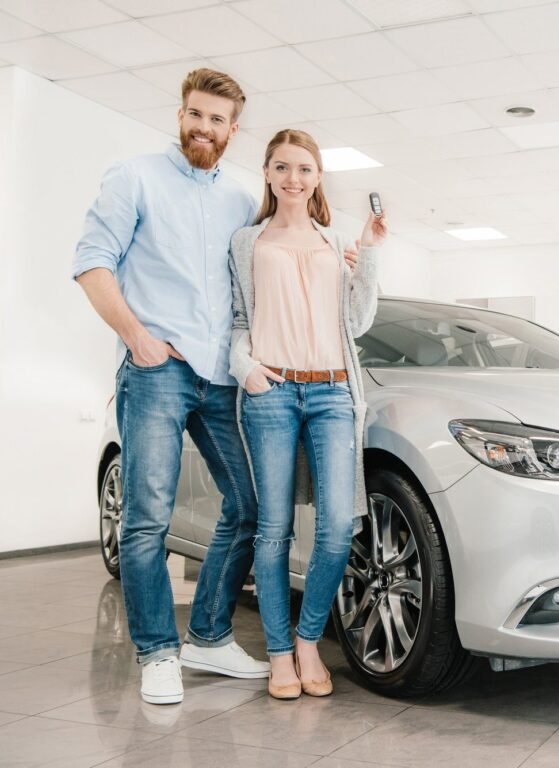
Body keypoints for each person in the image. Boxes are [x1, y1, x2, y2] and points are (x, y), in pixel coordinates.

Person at [73, 69, 274, 705]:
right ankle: (157, 652)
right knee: (146, 520)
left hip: (220, 378)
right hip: (157, 369)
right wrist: (137, 336)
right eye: (195, 115)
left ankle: (209, 636)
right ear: (180, 114)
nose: (203, 128)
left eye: (217, 120)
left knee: (250, 506)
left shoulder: (240, 200)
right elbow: (91, 262)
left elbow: (261, 278)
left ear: (233, 130)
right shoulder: (133, 176)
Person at [229, 129, 387, 699]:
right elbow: (238, 319)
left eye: (304, 168)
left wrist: (367, 253)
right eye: (282, 167)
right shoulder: (246, 242)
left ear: (318, 178)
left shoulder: (332, 240)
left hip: (333, 393)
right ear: (268, 174)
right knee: (272, 531)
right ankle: (278, 653)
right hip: (270, 392)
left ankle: (307, 642)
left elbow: (357, 321)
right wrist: (243, 365)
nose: (293, 178)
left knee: (338, 529)